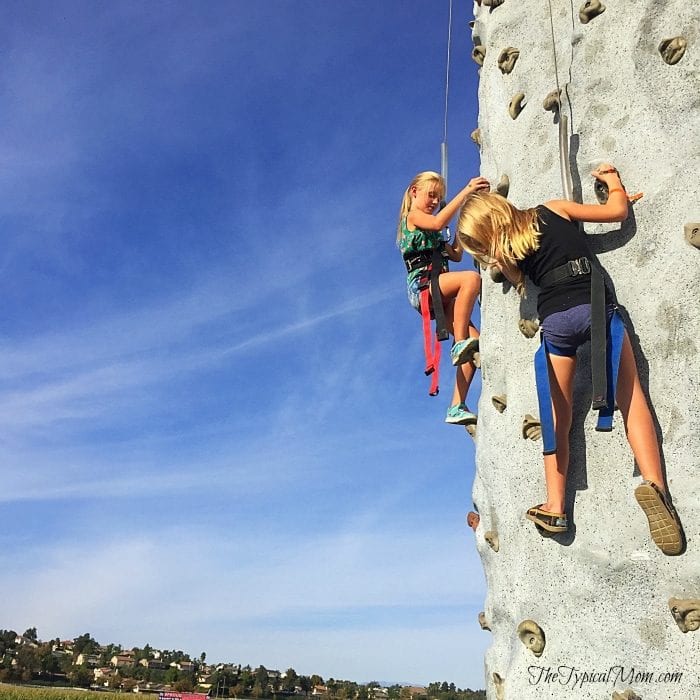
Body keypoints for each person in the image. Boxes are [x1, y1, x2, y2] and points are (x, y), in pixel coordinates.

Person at [456, 165, 683, 555]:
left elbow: (515, 281)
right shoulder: (553, 210)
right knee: (631, 398)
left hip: (556, 323)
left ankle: (556, 506)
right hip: (593, 306)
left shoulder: (514, 257)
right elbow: (616, 214)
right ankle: (654, 485)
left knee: (557, 418)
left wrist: (501, 260)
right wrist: (613, 182)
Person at [397, 171, 490, 425]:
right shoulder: (413, 217)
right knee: (471, 279)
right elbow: (437, 223)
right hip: (423, 286)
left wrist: (462, 219)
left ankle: (456, 405)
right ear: (414, 191)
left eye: (438, 199)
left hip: (438, 289)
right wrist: (467, 191)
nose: (434, 201)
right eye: (431, 195)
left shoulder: (436, 234)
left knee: (477, 344)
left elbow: (457, 255)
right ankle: (459, 342)